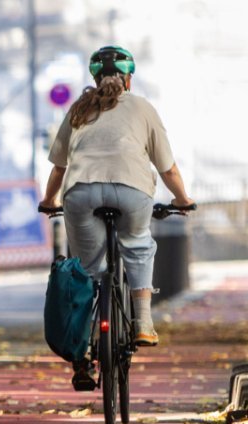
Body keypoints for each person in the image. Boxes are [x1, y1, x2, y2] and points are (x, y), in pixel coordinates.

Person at [38, 45, 195, 351]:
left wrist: (49, 201)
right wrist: (182, 200)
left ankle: (82, 346)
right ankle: (144, 324)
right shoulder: (142, 108)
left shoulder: (78, 109)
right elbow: (168, 169)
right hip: (132, 189)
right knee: (138, 245)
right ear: (129, 80)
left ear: (95, 79)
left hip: (80, 190)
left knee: (87, 270)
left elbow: (59, 168)